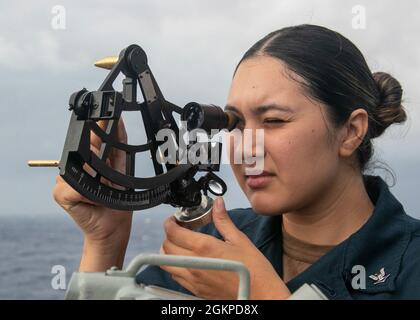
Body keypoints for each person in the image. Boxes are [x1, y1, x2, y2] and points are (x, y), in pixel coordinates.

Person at [53, 24, 420, 299]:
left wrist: (256, 295)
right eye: (235, 124)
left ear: (351, 131)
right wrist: (106, 244)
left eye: (274, 121)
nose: (246, 148)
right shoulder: (208, 249)